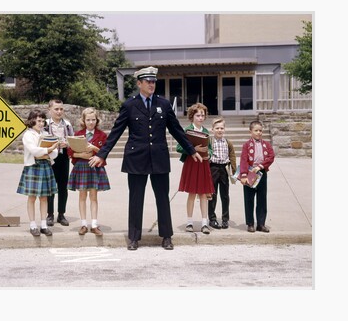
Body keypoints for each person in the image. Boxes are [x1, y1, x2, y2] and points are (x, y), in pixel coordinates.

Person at [88, 66, 203, 251]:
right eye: (148, 81)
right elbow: (116, 132)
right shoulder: (130, 105)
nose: (152, 84)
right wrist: (102, 154)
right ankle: (134, 238)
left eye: (154, 81)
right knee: (136, 199)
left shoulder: (163, 104)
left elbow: (176, 130)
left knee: (162, 199)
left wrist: (191, 150)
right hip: (136, 158)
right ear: (139, 83)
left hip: (159, 157)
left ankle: (166, 236)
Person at [67, 107, 110, 236]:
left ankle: (94, 224)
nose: (91, 122)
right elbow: (70, 151)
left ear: (97, 120)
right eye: (88, 120)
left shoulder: (102, 135)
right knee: (82, 196)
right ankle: (83, 224)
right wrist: (81, 155)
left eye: (93, 120)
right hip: (81, 167)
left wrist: (95, 148)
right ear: (83, 120)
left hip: (95, 167)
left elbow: (105, 151)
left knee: (93, 197)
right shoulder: (77, 134)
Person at [16, 109, 59, 237]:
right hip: (33, 167)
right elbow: (34, 151)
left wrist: (49, 151)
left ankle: (44, 224)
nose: (41, 123)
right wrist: (48, 150)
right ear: (32, 121)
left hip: (45, 165)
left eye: (42, 121)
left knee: (44, 197)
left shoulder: (46, 134)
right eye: (38, 120)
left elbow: (55, 153)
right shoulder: (28, 135)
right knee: (32, 197)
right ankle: (32, 224)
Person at [176, 103, 214, 235]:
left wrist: (208, 153)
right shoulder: (187, 131)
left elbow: (209, 147)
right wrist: (193, 149)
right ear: (192, 116)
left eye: (203, 115)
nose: (201, 118)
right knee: (192, 193)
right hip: (191, 163)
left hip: (202, 163)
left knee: (203, 193)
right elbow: (178, 147)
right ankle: (190, 222)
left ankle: (204, 222)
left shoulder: (205, 131)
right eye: (198, 115)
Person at [239, 120, 275, 233]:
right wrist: (243, 175)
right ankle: (250, 223)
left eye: (260, 130)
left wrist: (261, 166)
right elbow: (244, 160)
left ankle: (261, 223)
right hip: (250, 173)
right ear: (250, 132)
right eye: (256, 130)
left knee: (262, 199)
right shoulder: (246, 145)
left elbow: (271, 156)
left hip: (261, 173)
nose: (259, 132)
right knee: (249, 199)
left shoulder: (266, 144)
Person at [44, 99, 75, 227]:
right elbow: (41, 140)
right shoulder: (45, 124)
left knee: (63, 186)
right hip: (50, 158)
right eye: (56, 109)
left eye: (61, 109)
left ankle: (61, 214)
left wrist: (67, 143)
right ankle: (49, 214)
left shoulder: (67, 124)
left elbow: (73, 141)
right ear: (50, 110)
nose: (59, 111)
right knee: (50, 186)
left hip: (63, 157)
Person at [208, 116, 237, 230]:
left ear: (224, 129)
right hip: (213, 169)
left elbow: (232, 156)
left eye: (221, 128)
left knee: (225, 195)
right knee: (212, 195)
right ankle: (212, 219)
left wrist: (234, 170)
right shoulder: (210, 141)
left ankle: (225, 219)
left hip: (224, 169)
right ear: (212, 129)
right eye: (217, 128)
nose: (219, 130)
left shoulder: (228, 142)